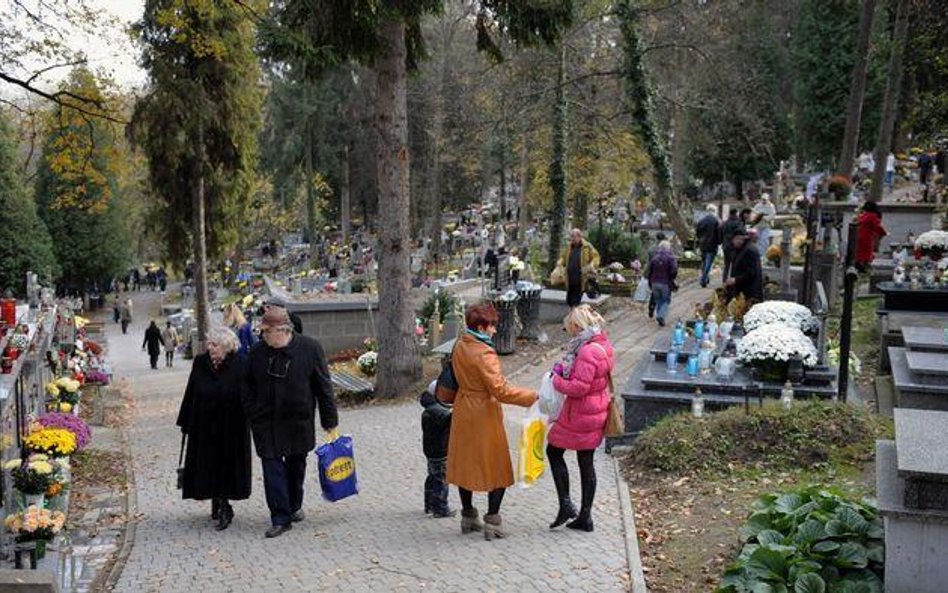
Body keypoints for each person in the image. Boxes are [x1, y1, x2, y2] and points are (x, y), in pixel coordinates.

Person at [242, 306, 337, 538]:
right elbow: (245, 386)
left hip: (298, 421)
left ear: (281, 330)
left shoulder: (310, 348)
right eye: (262, 332)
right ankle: (280, 516)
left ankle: (293, 505)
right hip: (266, 422)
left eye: (267, 332)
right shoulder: (257, 352)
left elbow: (323, 387)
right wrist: (253, 412)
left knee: (296, 466)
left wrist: (329, 421)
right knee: (272, 467)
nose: (263, 336)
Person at [446, 304, 538, 540]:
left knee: (465, 464)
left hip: (463, 408)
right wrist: (532, 396)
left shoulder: (461, 344)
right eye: (492, 325)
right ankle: (493, 522)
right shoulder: (485, 354)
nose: (495, 330)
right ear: (481, 326)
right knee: (497, 466)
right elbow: (501, 391)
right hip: (483, 414)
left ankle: (468, 516)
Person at [176, 327, 251, 531]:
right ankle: (216, 499)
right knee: (208, 464)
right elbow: (191, 390)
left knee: (227, 466)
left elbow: (247, 395)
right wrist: (185, 421)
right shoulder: (201, 363)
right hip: (204, 424)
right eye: (209, 344)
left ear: (227, 347)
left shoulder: (240, 364)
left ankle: (225, 505)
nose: (210, 348)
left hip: (231, 425)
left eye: (215, 345)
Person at [547, 305, 615, 533]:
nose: (570, 333)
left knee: (553, 451)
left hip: (582, 412)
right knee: (586, 462)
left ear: (578, 326)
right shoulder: (602, 344)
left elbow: (579, 387)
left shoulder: (587, 351)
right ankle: (585, 517)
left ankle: (567, 505)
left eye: (571, 328)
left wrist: (556, 380)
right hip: (596, 409)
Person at [420, 380, 455, 519]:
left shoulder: (429, 409)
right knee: (441, 479)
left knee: (432, 476)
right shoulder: (440, 412)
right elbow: (452, 420)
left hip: (430, 450)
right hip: (440, 450)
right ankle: (440, 508)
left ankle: (429, 504)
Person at [555, 229, 601, 307]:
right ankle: (573, 316)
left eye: (573, 236)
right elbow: (563, 257)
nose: (571, 238)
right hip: (569, 279)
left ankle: (574, 317)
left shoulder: (587, 246)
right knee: (569, 300)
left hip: (580, 278)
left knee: (575, 301)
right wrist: (560, 261)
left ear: (579, 237)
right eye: (571, 236)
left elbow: (596, 257)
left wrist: (592, 264)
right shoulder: (569, 247)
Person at [645, 241, 678, 327]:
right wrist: (671, 278)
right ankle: (661, 316)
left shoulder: (654, 258)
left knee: (658, 300)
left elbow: (649, 271)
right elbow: (674, 270)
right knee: (666, 300)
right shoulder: (671, 258)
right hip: (665, 282)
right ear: (668, 248)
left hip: (654, 282)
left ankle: (660, 315)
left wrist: (650, 282)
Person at [726, 229, 763, 303]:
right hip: (743, 291)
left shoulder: (749, 250)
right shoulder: (741, 249)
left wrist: (735, 280)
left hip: (749, 293)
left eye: (733, 240)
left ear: (739, 238)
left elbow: (752, 272)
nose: (732, 243)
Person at [855, 201, 887, 273]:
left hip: (860, 235)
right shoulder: (873, 216)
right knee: (867, 253)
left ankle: (860, 265)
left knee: (861, 253)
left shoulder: (864, 215)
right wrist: (884, 233)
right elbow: (877, 227)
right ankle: (864, 268)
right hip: (867, 237)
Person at [695, 204, 721, 287]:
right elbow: (719, 233)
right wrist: (719, 242)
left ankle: (705, 278)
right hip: (712, 244)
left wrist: (700, 240)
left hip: (703, 244)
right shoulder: (716, 221)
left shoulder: (702, 221)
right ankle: (703, 279)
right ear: (714, 211)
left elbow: (697, 233)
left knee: (704, 262)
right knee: (708, 263)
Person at [720, 208, 744, 282]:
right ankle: (732, 281)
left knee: (726, 265)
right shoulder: (738, 223)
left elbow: (721, 233)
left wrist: (722, 242)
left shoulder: (724, 223)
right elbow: (741, 233)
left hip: (725, 245)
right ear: (736, 213)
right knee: (734, 264)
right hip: (734, 246)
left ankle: (724, 280)